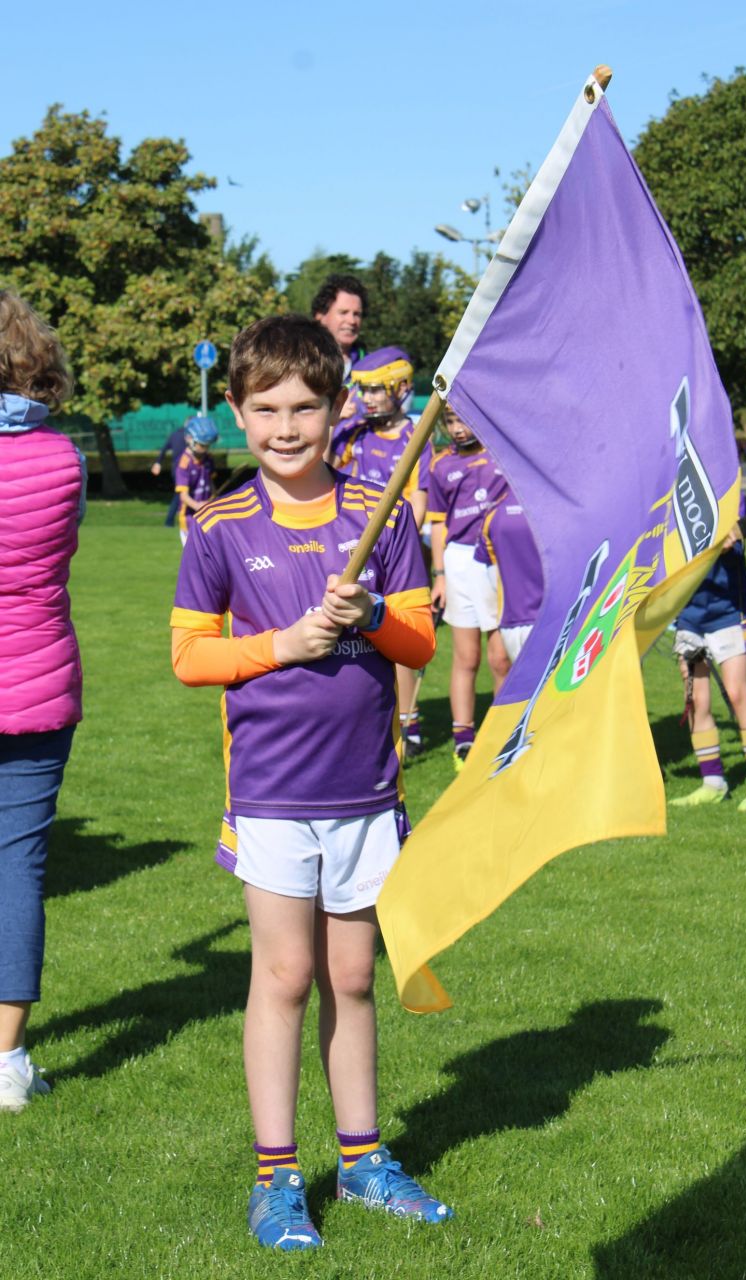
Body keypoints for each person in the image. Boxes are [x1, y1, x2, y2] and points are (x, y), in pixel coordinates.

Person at [170, 314, 451, 1251]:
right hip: (272, 795)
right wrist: (280, 647)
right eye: (265, 410)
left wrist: (370, 612)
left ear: (337, 410)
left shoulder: (383, 514)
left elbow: (419, 639)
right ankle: (277, 1172)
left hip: (367, 792)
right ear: (241, 417)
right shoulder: (218, 524)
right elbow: (187, 656)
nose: (285, 427)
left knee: (351, 974)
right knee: (284, 975)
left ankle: (365, 1159)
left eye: (304, 407)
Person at [0, 291, 85, 1111]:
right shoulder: (64, 458)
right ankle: (7, 1062)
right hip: (38, 678)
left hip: (27, 677)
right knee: (16, 868)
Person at [332, 347, 433, 755]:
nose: (368, 398)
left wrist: (396, 546)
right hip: (351, 554)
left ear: (403, 387)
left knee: (396, 636)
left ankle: (406, 725)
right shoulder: (353, 433)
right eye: (363, 390)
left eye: (376, 390)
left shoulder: (415, 436)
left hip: (394, 556)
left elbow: (419, 501)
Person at [670, 494, 746, 813]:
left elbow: (742, 528)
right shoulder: (671, 496)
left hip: (728, 610)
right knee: (697, 700)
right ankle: (713, 784)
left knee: (737, 693)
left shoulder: (723, 489)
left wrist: (734, 533)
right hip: (689, 614)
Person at [428, 405, 509, 770]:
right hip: (460, 563)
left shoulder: (502, 455)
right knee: (466, 658)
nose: (458, 429)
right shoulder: (441, 465)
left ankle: (507, 733)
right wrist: (440, 574)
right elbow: (439, 525)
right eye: (451, 421)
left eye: (463, 419)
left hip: (499, 560)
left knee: (500, 658)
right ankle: (463, 740)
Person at [474, 484, 544, 665]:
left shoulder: (493, 515)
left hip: (512, 622)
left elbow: (489, 576)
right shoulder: (552, 509)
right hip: (550, 619)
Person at [312, 274, 368, 421]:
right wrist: (332, 414)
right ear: (320, 317)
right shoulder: (301, 363)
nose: (352, 321)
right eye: (343, 313)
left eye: (357, 314)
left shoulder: (371, 365)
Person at [175, 416, 218, 545]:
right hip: (189, 519)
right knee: (195, 562)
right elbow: (183, 496)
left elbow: (211, 483)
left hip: (207, 516)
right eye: (202, 445)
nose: (206, 448)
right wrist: (198, 506)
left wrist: (215, 498)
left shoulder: (208, 459)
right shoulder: (184, 463)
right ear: (190, 439)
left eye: (208, 446)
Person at [150, 425, 188, 527]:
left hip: (175, 470)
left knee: (180, 494)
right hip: (184, 470)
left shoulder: (174, 434)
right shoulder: (190, 435)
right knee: (180, 494)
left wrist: (158, 463)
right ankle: (169, 521)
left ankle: (171, 521)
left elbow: (163, 450)